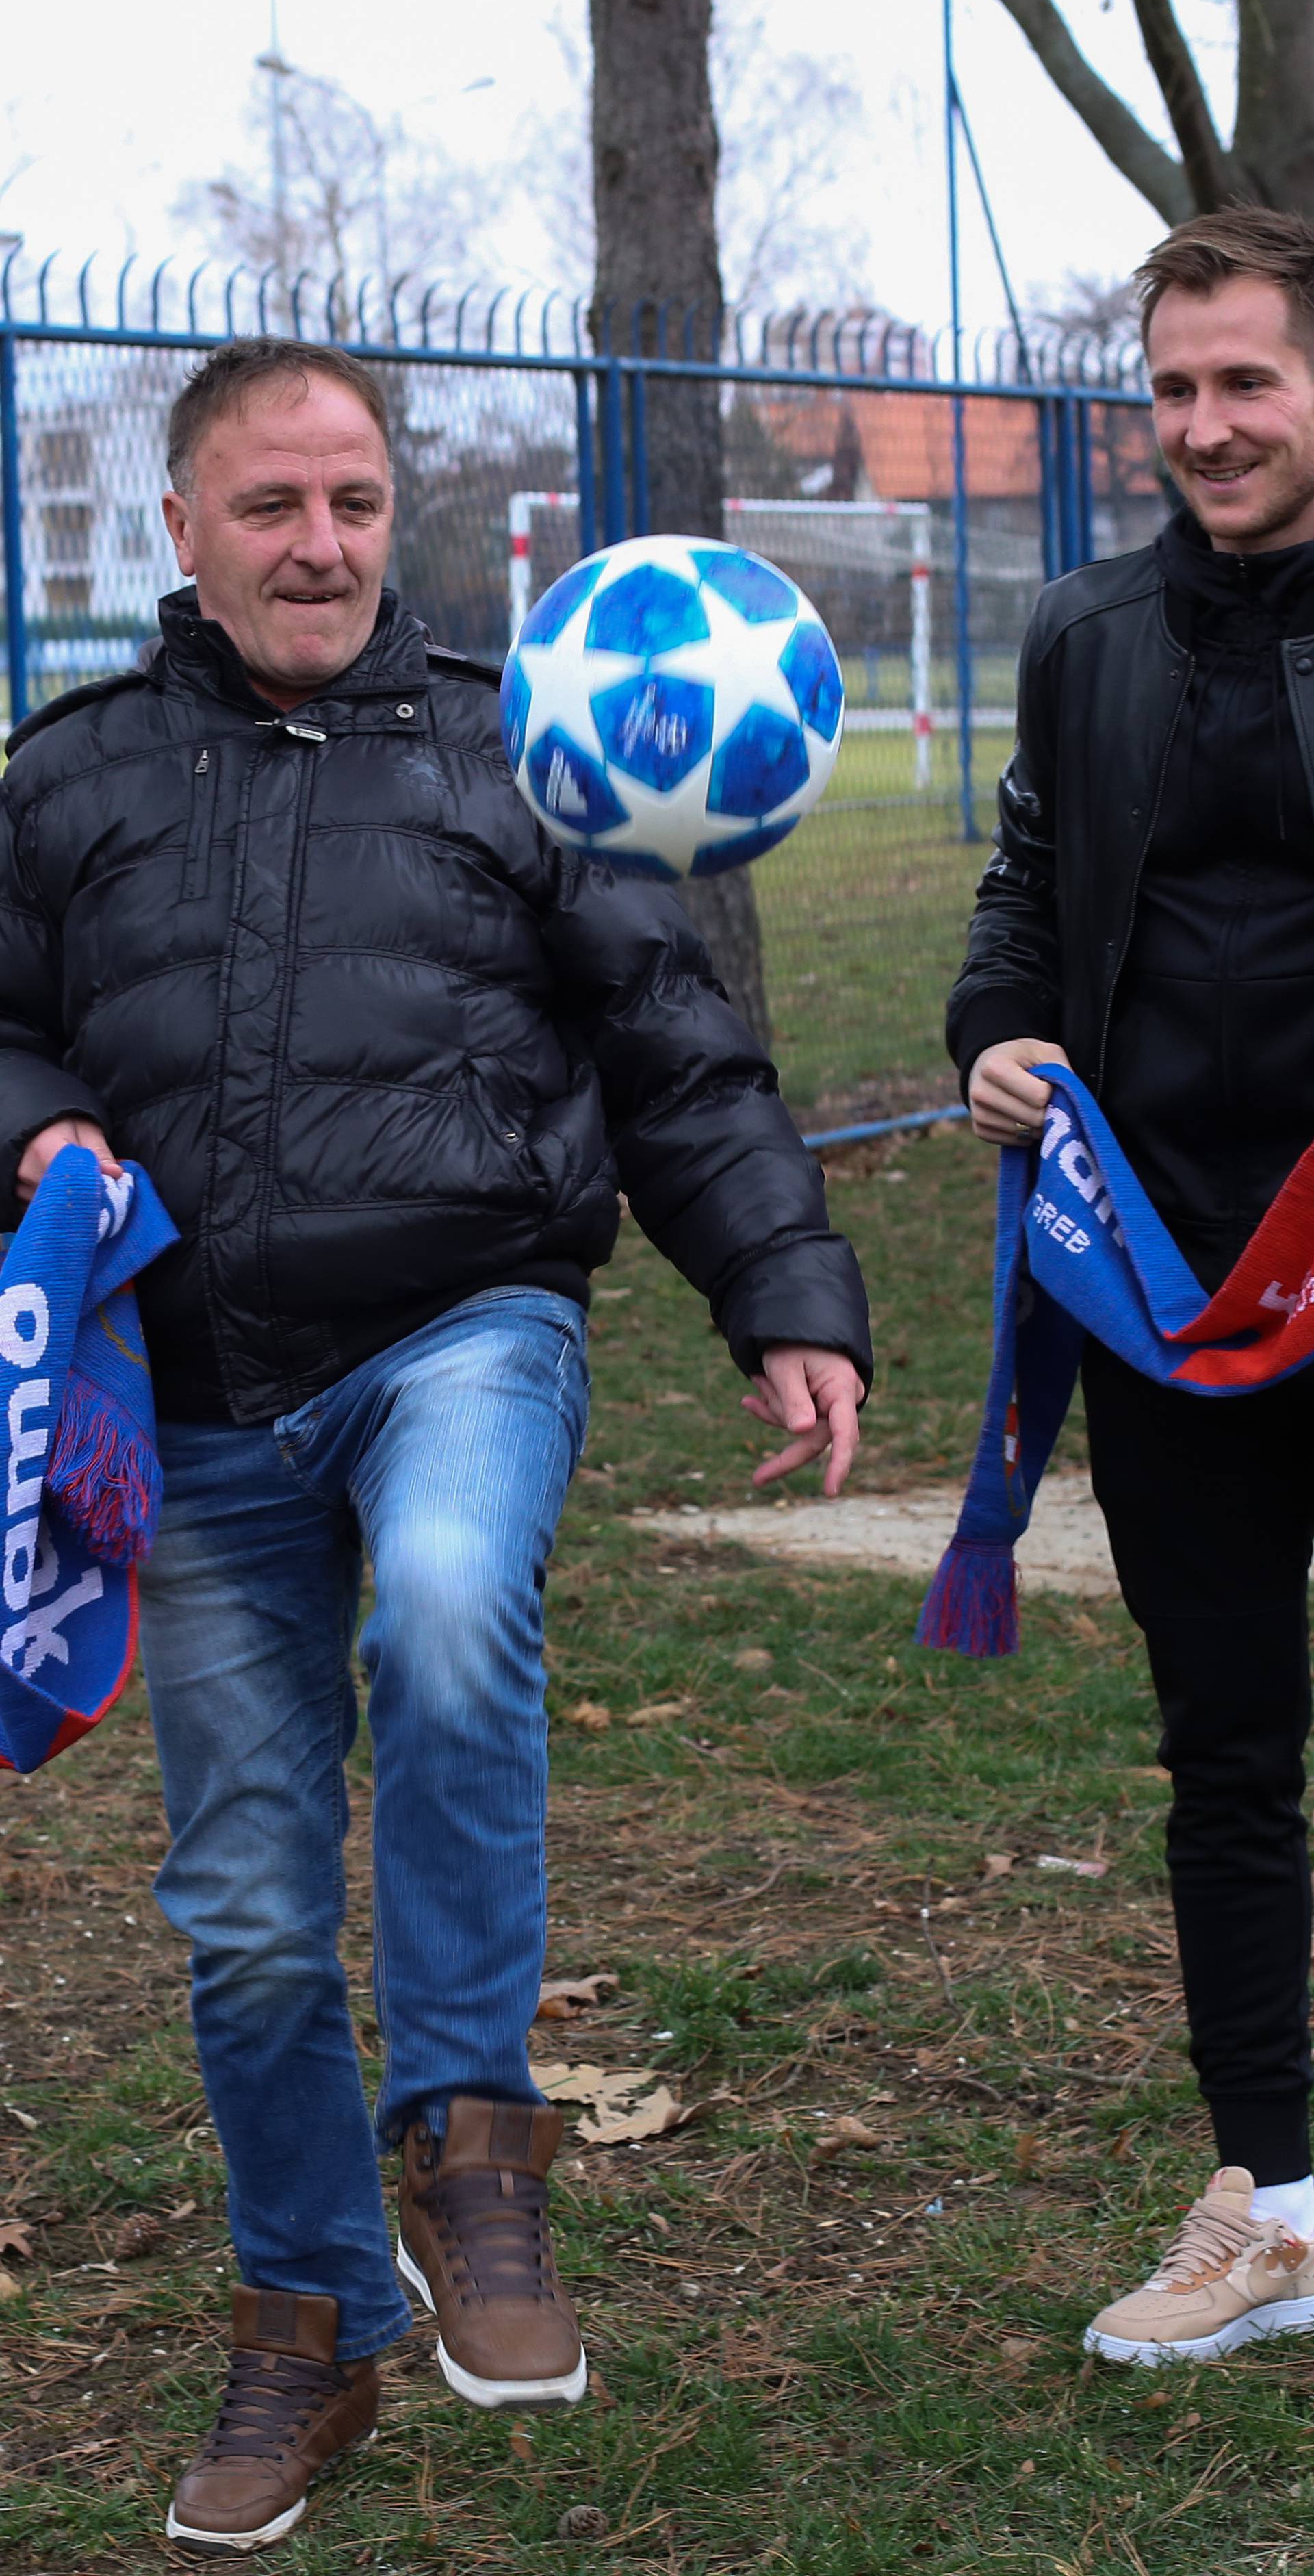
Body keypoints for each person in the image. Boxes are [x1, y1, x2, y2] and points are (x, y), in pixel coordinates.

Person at [0, 336, 871, 2551]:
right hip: (186, 1399)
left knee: (463, 1603)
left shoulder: (525, 755)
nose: (321, 545)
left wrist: (781, 1291)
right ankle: (307, 2316)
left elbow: (679, 1049)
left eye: (357, 504)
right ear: (182, 528)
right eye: (272, 507)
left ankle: (477, 2137)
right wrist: (42, 1123)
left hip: (461, 1324)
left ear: (401, 517)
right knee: (250, 1909)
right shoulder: (67, 779)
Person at [950, 203, 1314, 2365]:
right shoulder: (1086, 634)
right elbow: (1029, 878)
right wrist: (992, 1027)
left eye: (1247, 381)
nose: (1205, 427)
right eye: (1173, 389)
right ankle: (1274, 2202)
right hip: (1166, 1286)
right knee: (1230, 1752)